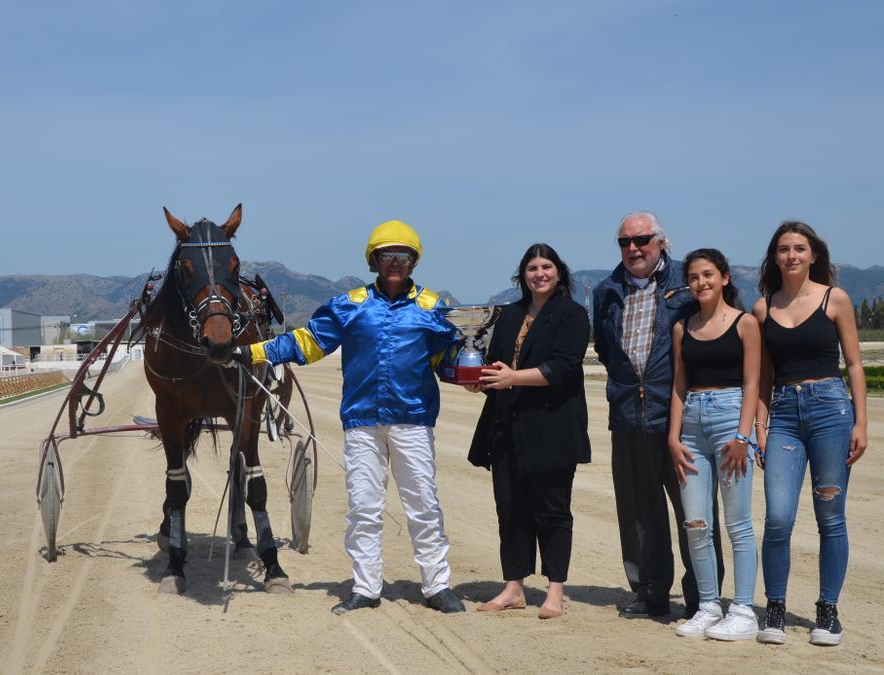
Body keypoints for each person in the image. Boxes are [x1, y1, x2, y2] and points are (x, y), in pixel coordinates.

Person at [238, 220, 465, 615]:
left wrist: (472, 369)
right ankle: (365, 588)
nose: (395, 262)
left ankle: (437, 585)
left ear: (414, 261)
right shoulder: (350, 305)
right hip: (362, 421)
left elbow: (448, 359)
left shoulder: (433, 308)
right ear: (374, 260)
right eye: (387, 256)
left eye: (403, 256)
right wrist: (252, 353)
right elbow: (307, 343)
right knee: (363, 507)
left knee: (424, 505)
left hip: (412, 420)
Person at [591, 211, 723, 620]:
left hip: (680, 417)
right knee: (638, 513)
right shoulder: (605, 291)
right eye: (625, 242)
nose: (634, 248)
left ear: (662, 242)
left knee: (694, 511)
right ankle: (650, 593)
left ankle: (705, 596)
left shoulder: (688, 283)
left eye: (642, 240)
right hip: (628, 416)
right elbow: (607, 351)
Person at [751, 220, 868, 647]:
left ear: (813, 254)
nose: (791, 256)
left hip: (830, 412)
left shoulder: (834, 300)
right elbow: (762, 377)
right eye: (784, 249)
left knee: (830, 518)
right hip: (782, 414)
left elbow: (854, 364)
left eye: (799, 248)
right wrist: (759, 429)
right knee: (778, 517)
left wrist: (861, 421)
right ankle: (775, 609)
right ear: (775, 257)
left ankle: (828, 611)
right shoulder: (763, 308)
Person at [465, 243, 591, 620]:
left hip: (552, 427)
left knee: (552, 510)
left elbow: (563, 368)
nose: (540, 273)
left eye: (546, 266)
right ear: (523, 274)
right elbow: (495, 364)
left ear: (558, 271)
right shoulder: (508, 315)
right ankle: (514, 586)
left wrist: (511, 378)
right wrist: (481, 379)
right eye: (533, 267)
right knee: (511, 509)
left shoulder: (572, 314)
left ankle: (555, 590)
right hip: (506, 426)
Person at [668, 249, 761, 640]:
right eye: (693, 277)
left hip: (731, 418)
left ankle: (742, 609)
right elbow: (678, 385)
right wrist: (673, 438)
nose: (701, 283)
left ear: (724, 277)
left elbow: (754, 382)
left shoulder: (746, 324)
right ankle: (708, 605)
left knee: (737, 522)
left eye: (708, 275)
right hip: (691, 424)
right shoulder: (682, 327)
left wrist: (744, 436)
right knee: (696, 523)